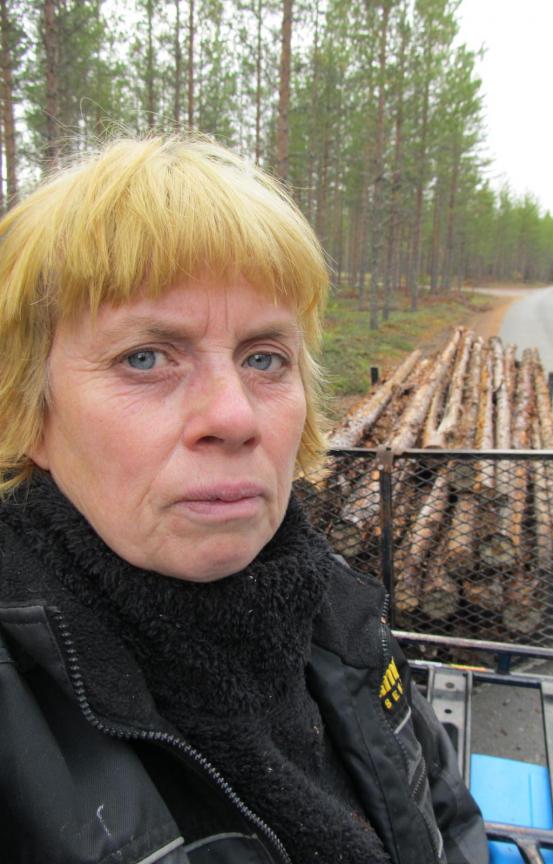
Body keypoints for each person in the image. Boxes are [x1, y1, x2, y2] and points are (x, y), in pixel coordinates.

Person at [0, 135, 488, 864]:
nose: (234, 417)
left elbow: (447, 821)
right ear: (31, 411)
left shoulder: (333, 605)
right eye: (145, 358)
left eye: (264, 358)